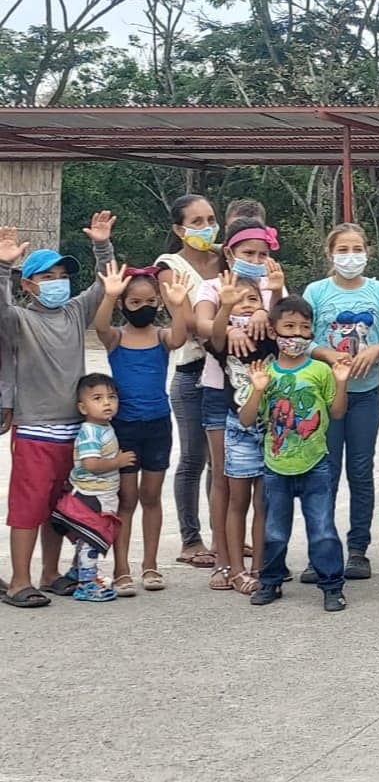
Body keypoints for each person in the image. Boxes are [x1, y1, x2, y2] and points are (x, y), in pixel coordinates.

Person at [0, 212, 116, 608]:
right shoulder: (19, 319)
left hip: (74, 430)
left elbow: (104, 285)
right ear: (28, 285)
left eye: (62, 276)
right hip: (35, 430)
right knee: (28, 508)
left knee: (59, 507)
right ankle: (19, 581)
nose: (57, 282)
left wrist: (102, 245)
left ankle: (50, 574)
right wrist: (4, 267)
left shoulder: (74, 312)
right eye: (47, 277)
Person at [304, 222, 379, 581]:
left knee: (360, 472)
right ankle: (322, 550)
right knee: (324, 473)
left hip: (366, 396)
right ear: (330, 253)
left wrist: (378, 349)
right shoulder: (316, 291)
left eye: (357, 249)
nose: (350, 256)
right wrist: (327, 354)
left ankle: (358, 549)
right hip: (325, 395)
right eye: (342, 250)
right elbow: (302, 336)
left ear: (367, 252)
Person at [239, 296, 351, 610]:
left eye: (304, 327)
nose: (297, 334)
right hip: (276, 466)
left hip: (316, 463)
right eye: (289, 326)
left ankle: (332, 586)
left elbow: (337, 412)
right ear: (273, 331)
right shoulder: (265, 372)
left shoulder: (320, 370)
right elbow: (246, 419)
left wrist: (341, 383)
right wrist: (258, 389)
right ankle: (270, 582)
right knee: (274, 530)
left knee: (322, 529)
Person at [194, 218, 284, 590]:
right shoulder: (213, 286)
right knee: (224, 480)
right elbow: (203, 326)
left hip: (267, 405)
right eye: (249, 253)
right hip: (222, 396)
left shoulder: (271, 285)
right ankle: (224, 561)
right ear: (230, 253)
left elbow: (287, 325)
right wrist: (228, 320)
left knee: (264, 489)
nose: (256, 260)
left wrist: (266, 308)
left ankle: (261, 564)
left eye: (262, 254)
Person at [93, 262, 190, 595]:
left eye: (150, 301)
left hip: (157, 425)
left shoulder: (161, 336)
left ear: (158, 303)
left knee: (151, 496)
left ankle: (150, 564)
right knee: (127, 498)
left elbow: (180, 336)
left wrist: (178, 305)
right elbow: (100, 325)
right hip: (124, 427)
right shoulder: (116, 338)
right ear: (124, 303)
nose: (143, 308)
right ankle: (121, 568)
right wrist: (109, 296)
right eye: (135, 302)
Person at [155, 194, 222, 569]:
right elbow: (189, 320)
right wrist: (230, 325)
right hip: (192, 370)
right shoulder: (169, 267)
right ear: (179, 230)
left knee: (222, 461)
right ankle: (191, 539)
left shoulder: (226, 258)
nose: (207, 227)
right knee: (194, 457)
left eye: (210, 219)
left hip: (228, 369)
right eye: (197, 222)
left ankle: (223, 536)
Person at [207, 271, 280, 595]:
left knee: (264, 502)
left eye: (253, 299)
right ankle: (236, 570)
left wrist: (270, 300)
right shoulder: (227, 340)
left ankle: (260, 567)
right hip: (238, 428)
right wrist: (225, 308)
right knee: (238, 500)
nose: (246, 304)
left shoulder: (271, 336)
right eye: (239, 300)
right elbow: (215, 334)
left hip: (272, 428)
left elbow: (283, 322)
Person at [51, 374, 136, 602]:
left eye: (111, 397)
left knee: (88, 537)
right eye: (97, 398)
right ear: (82, 407)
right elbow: (90, 464)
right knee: (91, 539)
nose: (107, 403)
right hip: (90, 496)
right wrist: (117, 462)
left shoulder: (104, 427)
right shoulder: (90, 431)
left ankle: (77, 572)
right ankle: (87, 584)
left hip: (102, 494)